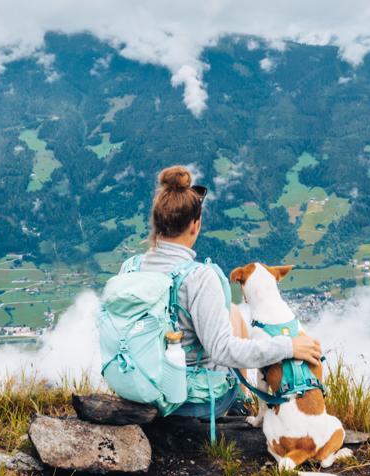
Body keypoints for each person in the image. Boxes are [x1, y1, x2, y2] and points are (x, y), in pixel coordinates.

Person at [131, 165, 322, 418]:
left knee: (231, 310)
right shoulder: (199, 277)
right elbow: (225, 351)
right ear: (195, 226)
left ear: (156, 223)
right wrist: (288, 347)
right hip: (189, 400)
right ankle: (238, 406)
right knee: (231, 323)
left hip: (140, 386)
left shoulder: (131, 268)